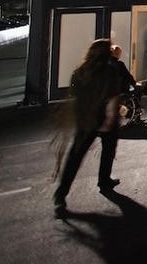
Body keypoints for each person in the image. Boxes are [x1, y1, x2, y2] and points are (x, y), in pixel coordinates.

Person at [52, 39, 124, 218]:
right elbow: (113, 97)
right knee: (108, 149)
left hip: (85, 118)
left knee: (75, 156)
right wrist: (109, 119)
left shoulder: (79, 72)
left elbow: (74, 96)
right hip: (104, 117)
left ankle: (61, 193)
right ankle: (104, 180)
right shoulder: (110, 71)